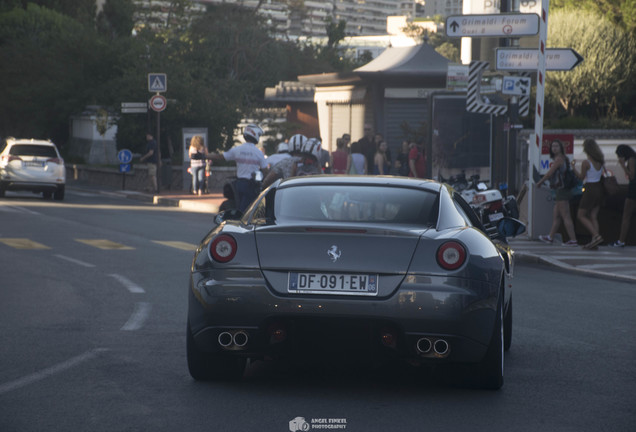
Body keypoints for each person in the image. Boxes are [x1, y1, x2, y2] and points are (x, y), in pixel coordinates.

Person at [207, 124, 269, 212]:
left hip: (238, 184)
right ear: (255, 135)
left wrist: (204, 156)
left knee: (239, 206)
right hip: (252, 185)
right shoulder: (258, 153)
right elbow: (265, 170)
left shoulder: (237, 149)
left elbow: (220, 156)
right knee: (248, 210)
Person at [536, 139, 578, 246]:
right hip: (560, 190)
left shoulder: (559, 159)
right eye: (553, 146)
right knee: (557, 216)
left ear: (561, 148)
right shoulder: (563, 158)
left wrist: (540, 182)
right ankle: (550, 236)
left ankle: (573, 240)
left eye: (556, 146)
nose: (554, 148)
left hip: (562, 190)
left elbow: (549, 173)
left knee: (565, 216)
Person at [572, 138, 605, 249]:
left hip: (590, 189)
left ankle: (596, 236)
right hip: (599, 189)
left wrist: (573, 167)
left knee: (581, 215)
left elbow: (581, 177)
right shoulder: (600, 161)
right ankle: (594, 241)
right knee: (593, 216)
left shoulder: (586, 162)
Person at [609, 144, 636, 247]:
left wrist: (623, 165)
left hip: (633, 189)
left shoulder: (631, 160)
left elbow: (631, 176)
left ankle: (621, 240)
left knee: (626, 215)